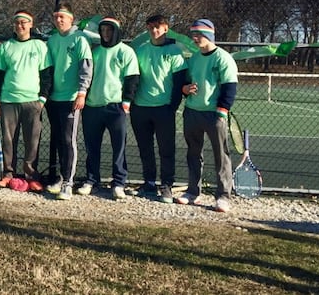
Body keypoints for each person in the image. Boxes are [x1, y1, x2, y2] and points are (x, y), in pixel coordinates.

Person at [176, 19, 238, 213]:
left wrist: (221, 111)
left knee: (221, 156)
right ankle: (192, 191)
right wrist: (185, 89)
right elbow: (185, 84)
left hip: (214, 115)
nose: (195, 38)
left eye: (199, 34)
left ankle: (223, 196)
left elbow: (230, 87)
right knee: (193, 153)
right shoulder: (193, 58)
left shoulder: (223, 58)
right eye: (193, 34)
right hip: (192, 112)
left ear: (210, 36)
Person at [77, 17, 139, 200]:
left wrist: (126, 102)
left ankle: (119, 183)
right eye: (103, 30)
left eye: (109, 30)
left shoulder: (126, 52)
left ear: (116, 31)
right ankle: (91, 180)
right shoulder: (94, 52)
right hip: (92, 106)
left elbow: (132, 78)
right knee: (92, 146)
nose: (105, 33)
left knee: (118, 146)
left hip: (116, 107)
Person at [0, 10, 51, 192]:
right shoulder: (6, 47)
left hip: (33, 101)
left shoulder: (40, 46)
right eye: (17, 23)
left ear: (31, 25)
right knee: (9, 141)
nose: (20, 25)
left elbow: (47, 74)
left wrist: (42, 99)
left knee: (32, 141)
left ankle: (31, 176)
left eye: (24, 22)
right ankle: (8, 175)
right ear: (14, 26)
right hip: (9, 101)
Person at [131, 14, 187, 204]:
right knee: (145, 148)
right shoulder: (141, 50)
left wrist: (172, 107)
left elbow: (180, 81)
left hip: (163, 109)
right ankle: (148, 182)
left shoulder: (174, 51)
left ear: (165, 28)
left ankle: (166, 185)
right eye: (150, 27)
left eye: (158, 27)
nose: (154, 31)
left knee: (166, 149)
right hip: (140, 108)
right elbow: (133, 77)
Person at [45, 3, 93, 200]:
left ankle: (68, 182)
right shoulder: (52, 40)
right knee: (58, 140)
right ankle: (61, 177)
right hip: (53, 99)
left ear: (71, 18)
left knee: (68, 140)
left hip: (71, 99)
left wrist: (82, 92)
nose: (59, 20)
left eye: (62, 17)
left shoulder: (80, 39)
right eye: (56, 16)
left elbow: (86, 68)